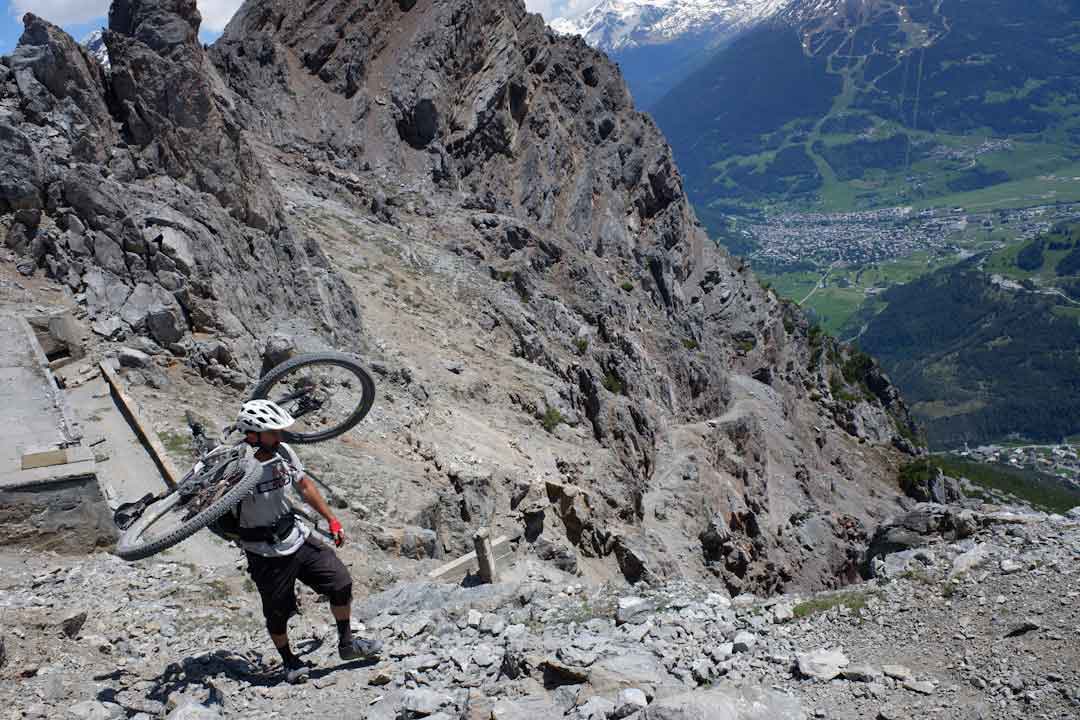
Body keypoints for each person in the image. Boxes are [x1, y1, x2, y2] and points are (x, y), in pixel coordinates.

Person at [223, 399, 382, 683]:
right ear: (253, 435)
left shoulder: (283, 452)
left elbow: (304, 485)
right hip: (264, 551)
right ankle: (289, 662)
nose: (279, 436)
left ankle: (347, 644)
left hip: (296, 535)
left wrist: (331, 518)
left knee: (340, 582)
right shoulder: (236, 466)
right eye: (272, 432)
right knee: (277, 614)